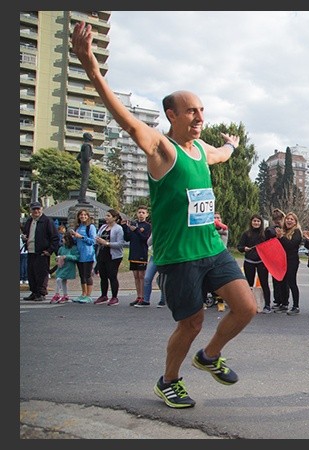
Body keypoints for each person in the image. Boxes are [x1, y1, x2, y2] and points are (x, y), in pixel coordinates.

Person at [72, 21, 257, 409]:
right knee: (191, 323)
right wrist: (91, 67)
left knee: (246, 308)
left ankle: (209, 356)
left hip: (211, 248)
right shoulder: (163, 149)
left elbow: (220, 155)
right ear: (171, 115)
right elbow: (127, 121)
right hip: (179, 256)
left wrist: (232, 145)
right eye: (191, 111)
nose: (199, 117)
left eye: (202, 110)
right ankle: (168, 381)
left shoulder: (200, 149)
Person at [237, 214, 277, 313]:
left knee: (264, 283)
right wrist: (244, 248)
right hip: (249, 261)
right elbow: (239, 246)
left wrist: (271, 228)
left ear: (261, 223)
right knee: (249, 284)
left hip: (261, 262)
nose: (256, 223)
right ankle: (249, 305)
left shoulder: (265, 234)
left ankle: (267, 305)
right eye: (254, 221)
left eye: (258, 221)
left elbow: (273, 235)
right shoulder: (246, 234)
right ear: (251, 222)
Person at [22, 201, 60, 301]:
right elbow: (25, 233)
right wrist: (24, 238)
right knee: (31, 273)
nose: (36, 211)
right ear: (31, 210)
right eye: (34, 209)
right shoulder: (29, 221)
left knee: (41, 274)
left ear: (41, 209)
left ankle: (41, 293)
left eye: (38, 209)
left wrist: (49, 250)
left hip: (42, 252)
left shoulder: (47, 221)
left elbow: (55, 237)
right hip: (31, 250)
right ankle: (34, 292)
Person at [93, 209, 125, 306]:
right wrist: (98, 240)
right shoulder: (103, 227)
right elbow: (97, 237)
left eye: (108, 216)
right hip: (102, 254)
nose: (106, 218)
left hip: (114, 256)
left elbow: (120, 244)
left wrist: (107, 243)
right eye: (106, 215)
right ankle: (104, 295)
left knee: (112, 275)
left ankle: (114, 297)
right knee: (103, 276)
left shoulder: (118, 228)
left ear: (114, 218)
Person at [279, 212, 303, 315]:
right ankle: (284, 304)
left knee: (292, 282)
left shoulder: (297, 232)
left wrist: (281, 237)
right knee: (282, 282)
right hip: (282, 260)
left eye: (291, 219)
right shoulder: (283, 231)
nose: (289, 220)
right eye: (287, 219)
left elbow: (291, 245)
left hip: (292, 260)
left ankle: (296, 306)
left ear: (295, 222)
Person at [70, 208, 96, 303]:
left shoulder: (91, 227)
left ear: (88, 216)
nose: (83, 216)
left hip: (88, 254)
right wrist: (73, 237)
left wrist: (81, 237)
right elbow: (76, 241)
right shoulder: (78, 227)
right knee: (82, 275)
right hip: (79, 254)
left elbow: (92, 241)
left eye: (85, 215)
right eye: (81, 215)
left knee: (87, 275)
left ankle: (88, 295)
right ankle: (83, 293)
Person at [128, 206, 152, 306]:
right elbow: (127, 237)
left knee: (142, 276)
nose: (141, 214)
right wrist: (126, 228)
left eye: (143, 212)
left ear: (147, 214)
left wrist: (137, 230)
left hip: (142, 253)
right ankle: (138, 296)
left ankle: (143, 296)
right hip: (133, 252)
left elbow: (145, 239)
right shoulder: (134, 224)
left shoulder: (147, 226)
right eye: (139, 212)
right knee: (136, 276)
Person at [51, 232, 80, 304]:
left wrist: (67, 256)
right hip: (62, 266)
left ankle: (57, 294)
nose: (62, 240)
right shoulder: (61, 248)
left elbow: (76, 257)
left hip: (68, 267)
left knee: (59, 279)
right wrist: (57, 258)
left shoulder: (73, 248)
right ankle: (65, 295)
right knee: (63, 281)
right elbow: (58, 255)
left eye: (64, 238)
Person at [270, 208, 289, 312]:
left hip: (285, 257)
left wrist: (281, 236)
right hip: (275, 257)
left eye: (279, 221)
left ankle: (284, 302)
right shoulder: (273, 229)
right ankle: (277, 300)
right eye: (275, 221)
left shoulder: (287, 230)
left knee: (284, 281)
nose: (278, 223)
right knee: (276, 280)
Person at [140, 234, 165, 308]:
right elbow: (149, 242)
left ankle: (163, 300)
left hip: (165, 256)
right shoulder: (155, 230)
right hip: (154, 256)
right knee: (147, 278)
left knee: (163, 279)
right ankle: (146, 300)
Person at [77, 132, 93, 204]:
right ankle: (82, 198)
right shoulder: (87, 146)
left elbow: (78, 158)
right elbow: (87, 158)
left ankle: (81, 197)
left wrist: (81, 162)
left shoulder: (83, 145)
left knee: (83, 181)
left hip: (82, 164)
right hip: (86, 165)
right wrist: (91, 156)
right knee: (85, 182)